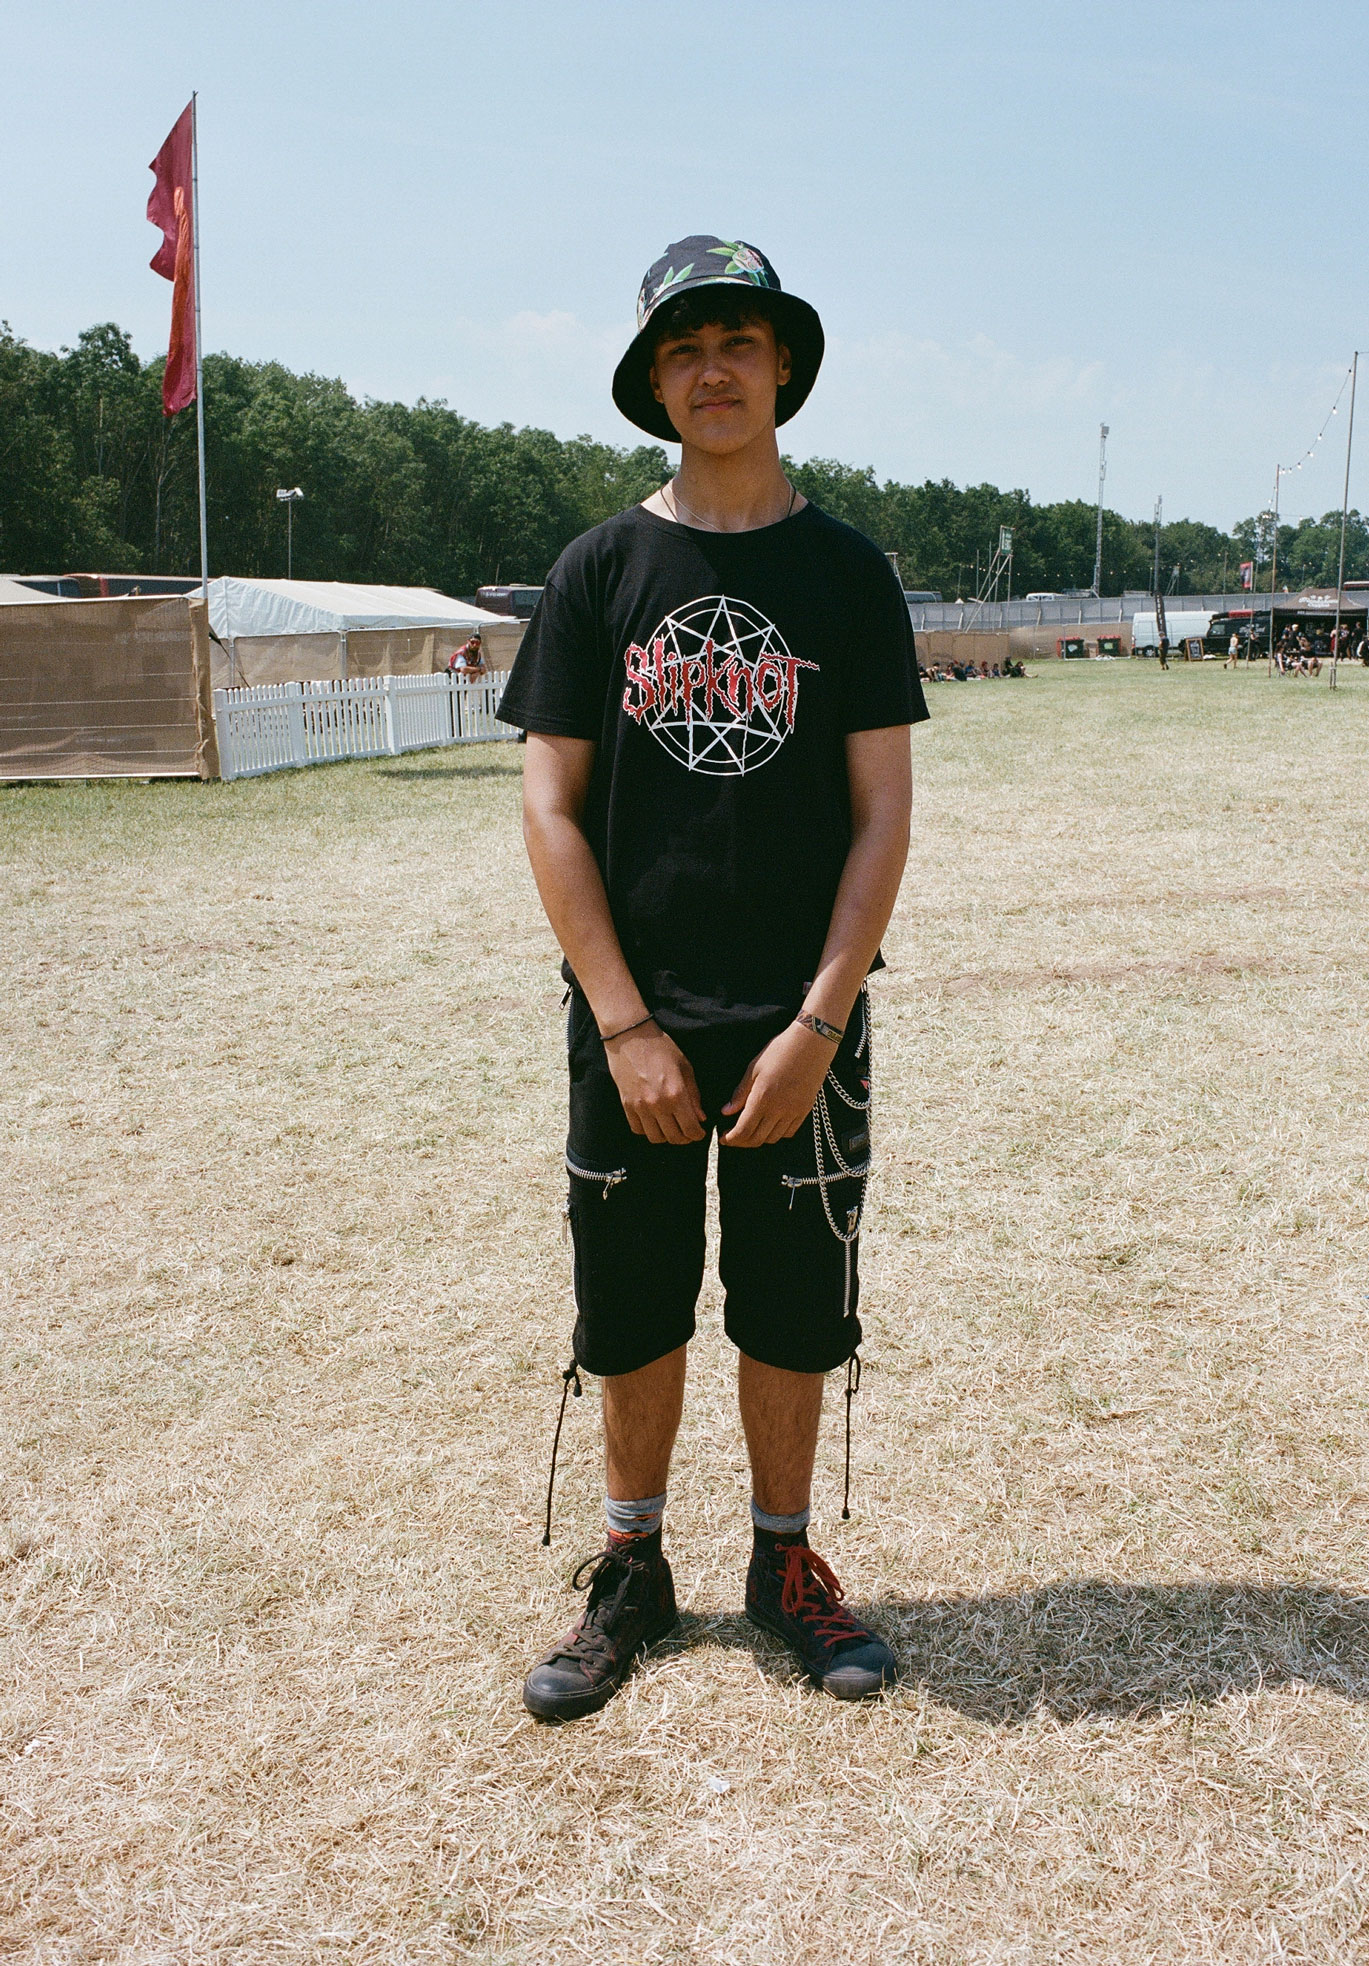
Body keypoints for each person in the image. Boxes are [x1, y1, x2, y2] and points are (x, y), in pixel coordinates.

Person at [498, 235, 927, 1723]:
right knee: (631, 1299)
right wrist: (624, 1020)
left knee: (796, 1299)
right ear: (655, 383)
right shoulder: (599, 572)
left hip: (800, 1016)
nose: (716, 368)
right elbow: (550, 807)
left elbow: (883, 813)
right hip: (639, 1018)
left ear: (786, 365)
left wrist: (821, 1018)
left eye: (740, 340)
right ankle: (630, 1568)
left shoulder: (849, 576)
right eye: (686, 350)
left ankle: (785, 1561)